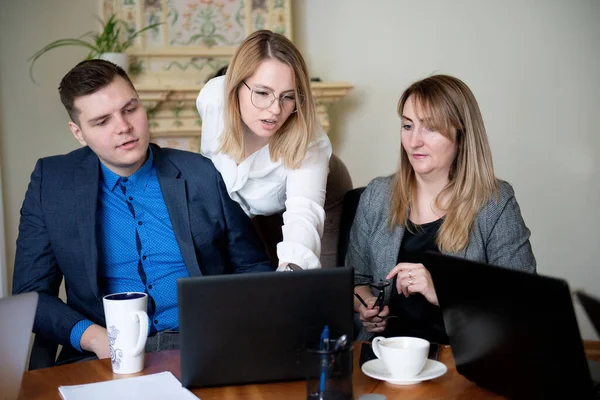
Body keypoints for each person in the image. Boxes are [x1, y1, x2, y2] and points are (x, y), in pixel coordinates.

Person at [12, 59, 273, 366]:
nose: (123, 127)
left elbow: (253, 267)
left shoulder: (200, 173)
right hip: (101, 350)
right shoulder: (51, 182)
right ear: (78, 132)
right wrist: (95, 338)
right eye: (101, 121)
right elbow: (31, 295)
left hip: (201, 344)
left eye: (130, 108)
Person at [349, 75, 536, 343]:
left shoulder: (494, 202)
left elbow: (522, 301)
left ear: (461, 136)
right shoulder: (377, 195)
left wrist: (443, 293)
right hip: (384, 353)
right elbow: (357, 280)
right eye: (407, 125)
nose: (414, 142)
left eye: (430, 129)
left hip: (462, 358)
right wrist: (367, 305)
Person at [197, 30, 342, 271]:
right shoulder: (212, 100)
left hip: (321, 199)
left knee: (319, 286)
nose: (275, 110)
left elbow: (303, 212)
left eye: (288, 97)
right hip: (253, 208)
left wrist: (292, 269)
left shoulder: (309, 142)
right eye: (263, 93)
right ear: (235, 87)